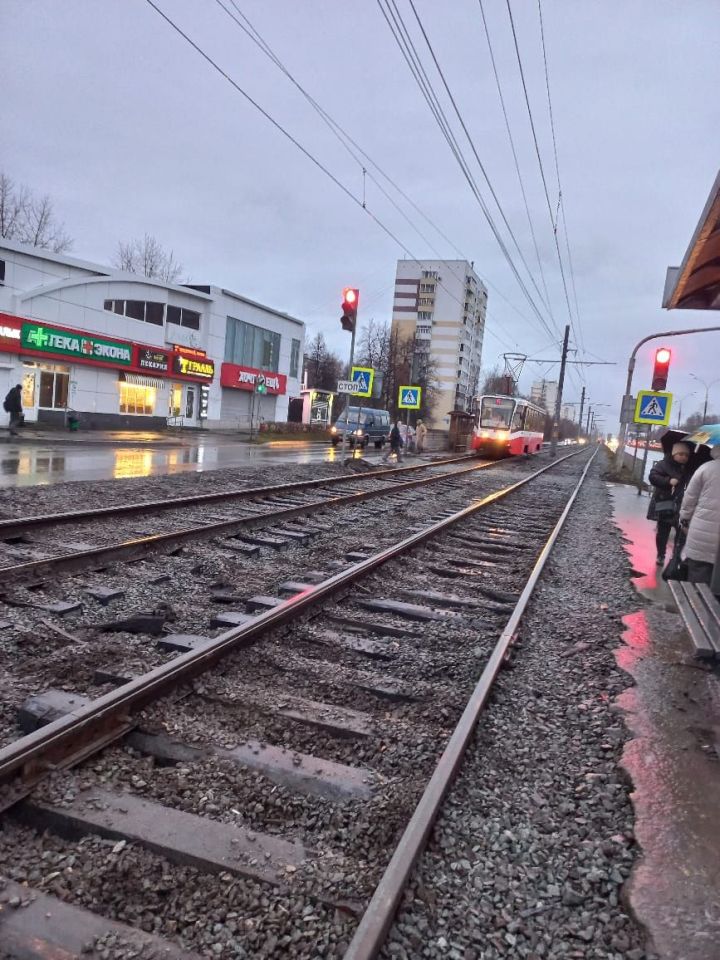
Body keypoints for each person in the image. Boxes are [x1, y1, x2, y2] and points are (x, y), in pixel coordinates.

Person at [679, 445, 720, 588]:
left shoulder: (706, 468)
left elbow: (689, 500)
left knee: (697, 581)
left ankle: (695, 604)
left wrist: (684, 521)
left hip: (701, 535)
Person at [647, 441, 691, 565]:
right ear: (674, 454)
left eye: (686, 455)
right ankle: (661, 554)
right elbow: (653, 477)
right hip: (665, 503)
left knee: (681, 533)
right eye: (681, 454)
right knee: (663, 532)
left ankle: (675, 556)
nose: (684, 457)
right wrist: (668, 481)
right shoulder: (663, 465)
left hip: (682, 506)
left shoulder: (689, 469)